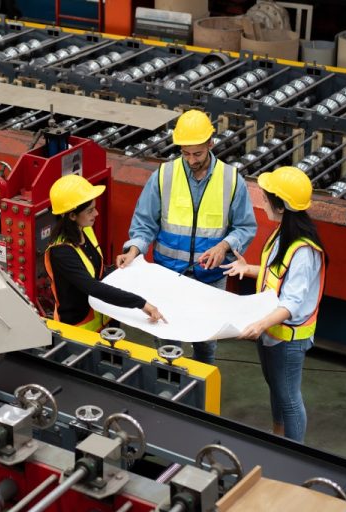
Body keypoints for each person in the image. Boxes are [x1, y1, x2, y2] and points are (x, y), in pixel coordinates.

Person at [116, 110, 257, 364]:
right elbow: (144, 223)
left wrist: (224, 245)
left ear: (211, 143)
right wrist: (134, 250)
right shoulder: (164, 176)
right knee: (166, 344)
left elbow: (245, 227)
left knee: (205, 346)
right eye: (185, 153)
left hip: (209, 281)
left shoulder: (231, 180)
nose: (191, 160)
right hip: (168, 278)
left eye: (198, 153)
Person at [222, 166, 326, 443]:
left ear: (280, 206)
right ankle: (278, 438)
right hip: (271, 332)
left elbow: (291, 303)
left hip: (287, 338)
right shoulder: (284, 234)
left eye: (266, 198)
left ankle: (294, 455)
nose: (263, 201)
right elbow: (277, 276)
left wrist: (259, 324)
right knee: (276, 388)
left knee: (290, 399)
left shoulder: (303, 251)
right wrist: (248, 268)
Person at [44, 174, 165, 331]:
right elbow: (92, 287)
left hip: (106, 318)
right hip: (80, 331)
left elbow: (97, 272)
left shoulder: (85, 230)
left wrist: (122, 269)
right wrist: (140, 303)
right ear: (72, 216)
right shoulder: (61, 252)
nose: (96, 214)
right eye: (90, 211)